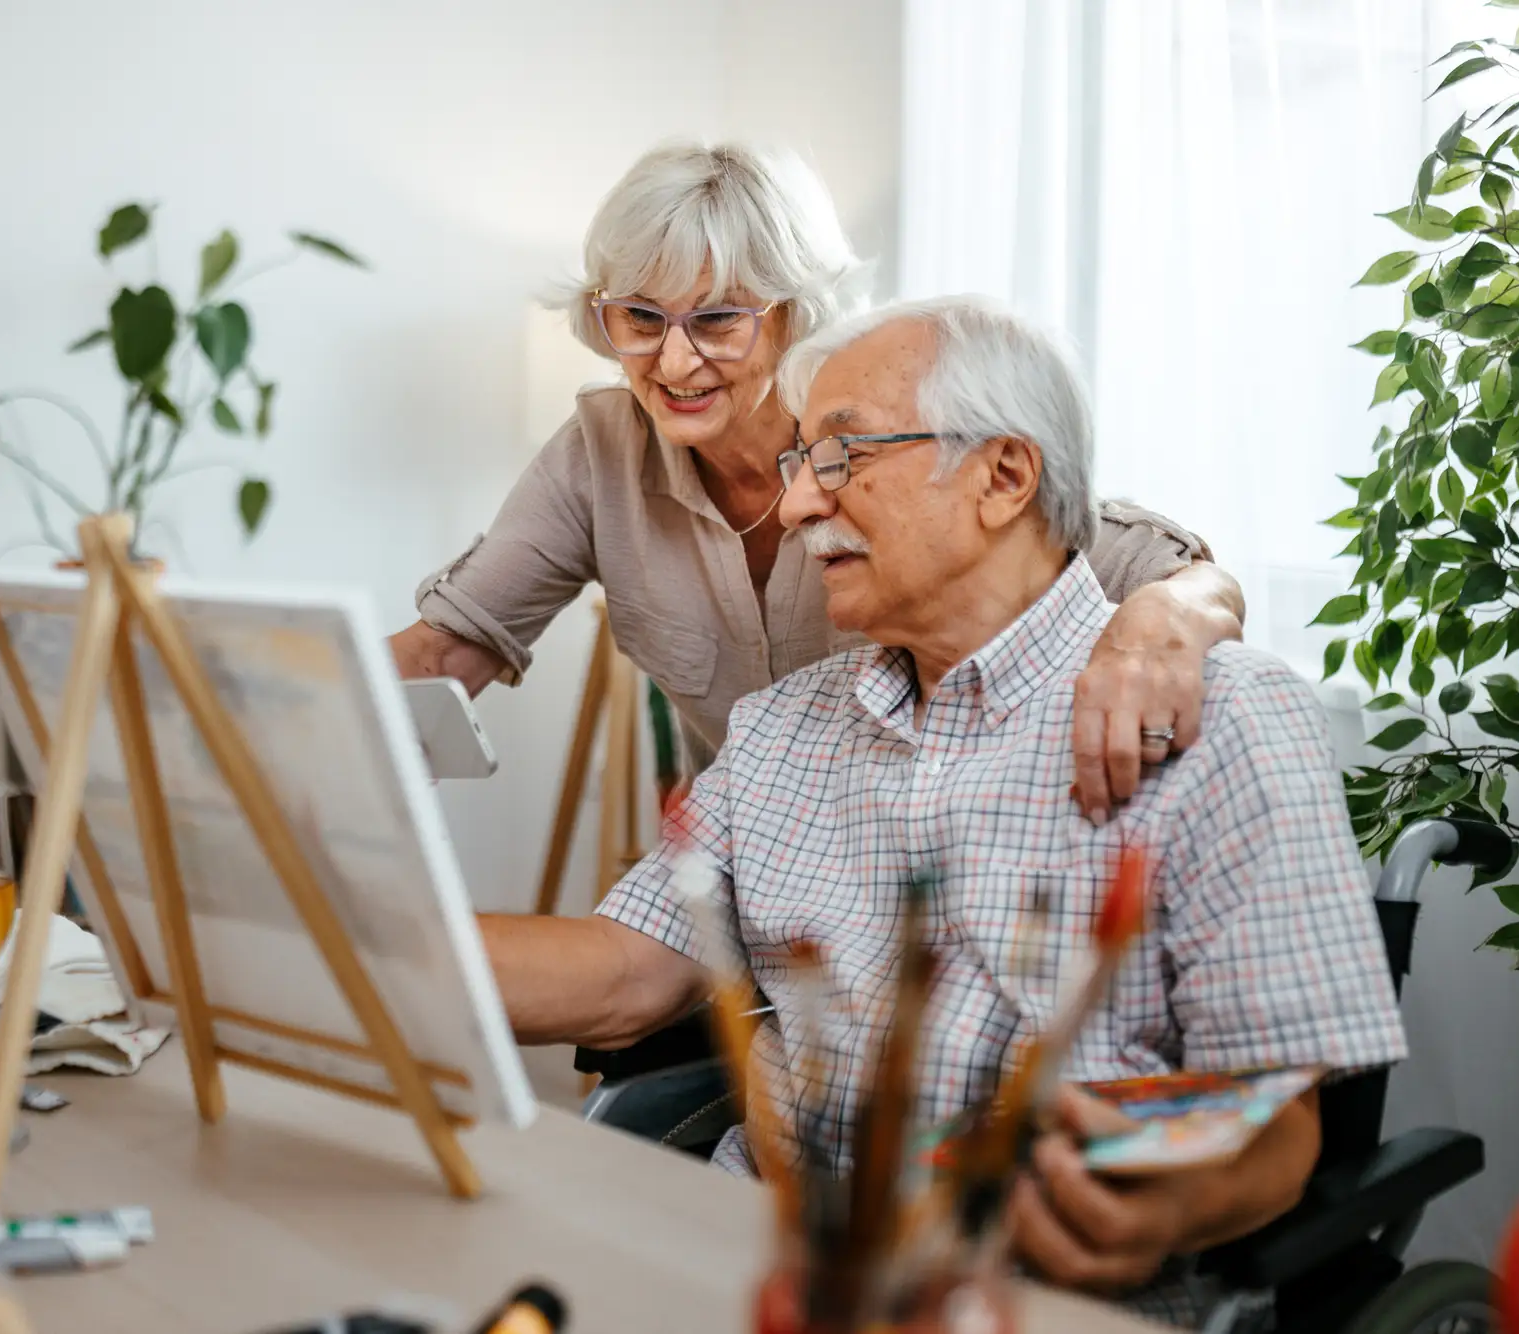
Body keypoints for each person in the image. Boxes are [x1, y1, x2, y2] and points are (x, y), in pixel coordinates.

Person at [477, 295, 1407, 1324]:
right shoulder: (782, 726)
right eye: (798, 465)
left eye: (839, 457)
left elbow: (1276, 1125)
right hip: (759, 1269)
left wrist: (1157, 1200)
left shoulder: (1222, 719)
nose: (791, 509)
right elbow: (622, 970)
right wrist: (339, 938)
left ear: (1002, 476)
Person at [390, 142, 1245, 816]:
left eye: (719, 318)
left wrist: (1160, 621)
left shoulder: (887, 440)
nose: (674, 359)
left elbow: (1175, 576)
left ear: (796, 314)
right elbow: (441, 656)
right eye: (640, 318)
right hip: (756, 874)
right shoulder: (601, 450)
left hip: (916, 860)